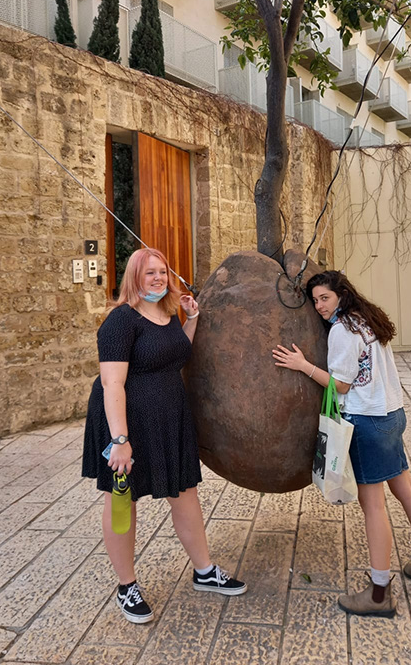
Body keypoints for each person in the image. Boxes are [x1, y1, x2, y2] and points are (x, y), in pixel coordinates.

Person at [82, 247, 246, 624]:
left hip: (169, 416)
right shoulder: (120, 322)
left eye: (162, 272)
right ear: (134, 278)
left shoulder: (167, 313)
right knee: (122, 500)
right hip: (127, 420)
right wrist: (119, 440)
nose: (157, 278)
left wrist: (193, 318)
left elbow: (177, 353)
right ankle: (127, 586)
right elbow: (112, 384)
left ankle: (204, 570)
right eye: (149, 272)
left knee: (184, 491)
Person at [272, 270, 411, 618]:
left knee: (374, 507)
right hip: (391, 415)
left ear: (341, 293)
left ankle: (380, 593)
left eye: (325, 298)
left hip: (367, 422)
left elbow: (339, 386)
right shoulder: (368, 319)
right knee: (407, 493)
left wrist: (302, 365)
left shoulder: (342, 330)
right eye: (316, 300)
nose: (320, 306)